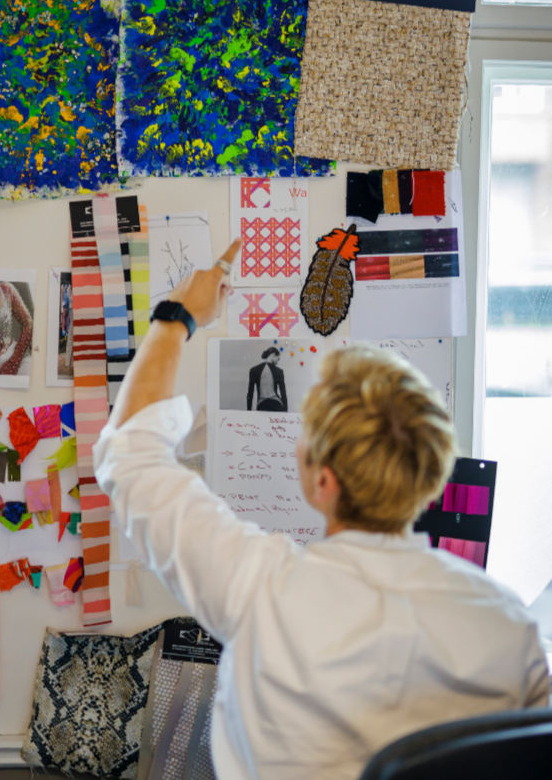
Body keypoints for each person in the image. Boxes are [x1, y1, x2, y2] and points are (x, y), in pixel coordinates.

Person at [94, 240, 548, 780]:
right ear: (429, 477)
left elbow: (129, 457)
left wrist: (178, 318)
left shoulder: (261, 589)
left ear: (322, 479)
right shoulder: (510, 627)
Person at [247, 346, 287, 411]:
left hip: (262, 404)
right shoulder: (279, 371)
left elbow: (250, 393)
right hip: (276, 403)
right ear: (273, 355)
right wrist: (285, 412)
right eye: (278, 359)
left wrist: (248, 411)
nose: (277, 362)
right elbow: (283, 393)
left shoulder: (253, 370)